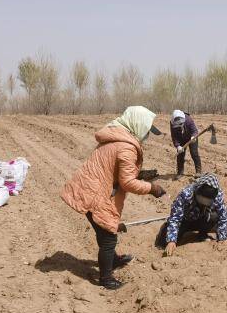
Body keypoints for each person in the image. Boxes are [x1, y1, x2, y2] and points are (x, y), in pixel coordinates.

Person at [61, 106, 166, 289]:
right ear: (137, 125)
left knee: (104, 231)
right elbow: (127, 183)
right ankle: (106, 278)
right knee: (109, 237)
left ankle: (113, 260)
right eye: (147, 130)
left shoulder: (117, 137)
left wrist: (140, 174)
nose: (147, 135)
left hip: (91, 188)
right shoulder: (126, 147)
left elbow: (116, 169)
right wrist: (152, 188)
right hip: (96, 193)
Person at [155, 173, 227, 256]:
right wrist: (171, 240)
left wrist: (222, 239)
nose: (203, 204)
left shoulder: (218, 196)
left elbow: (223, 217)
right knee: (163, 242)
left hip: (203, 218)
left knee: (214, 216)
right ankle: (167, 230)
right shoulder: (186, 194)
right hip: (186, 220)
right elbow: (175, 218)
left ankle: (202, 233)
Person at [170, 110, 201, 179]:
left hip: (191, 137)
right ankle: (180, 172)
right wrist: (177, 146)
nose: (179, 126)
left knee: (194, 153)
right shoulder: (172, 122)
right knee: (180, 154)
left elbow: (194, 130)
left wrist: (193, 136)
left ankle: (198, 172)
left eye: (181, 124)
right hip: (180, 138)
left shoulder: (188, 119)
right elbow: (174, 136)